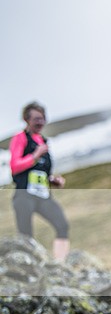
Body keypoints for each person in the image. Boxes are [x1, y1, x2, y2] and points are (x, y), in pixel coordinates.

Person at [9, 102, 70, 261]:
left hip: (43, 195)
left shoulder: (43, 141)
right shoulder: (20, 138)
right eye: (36, 118)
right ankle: (28, 268)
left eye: (43, 118)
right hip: (24, 196)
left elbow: (39, 173)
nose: (40, 122)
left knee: (62, 225)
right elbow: (15, 167)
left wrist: (52, 180)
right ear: (26, 119)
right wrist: (36, 155)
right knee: (26, 236)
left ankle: (59, 265)